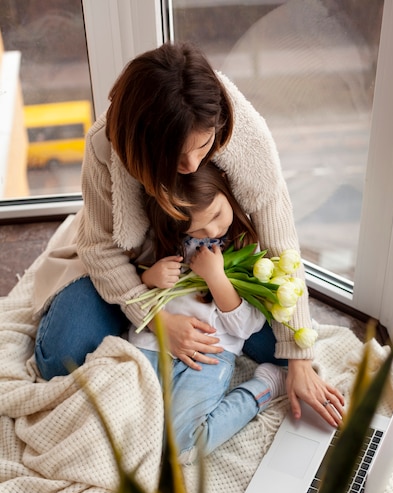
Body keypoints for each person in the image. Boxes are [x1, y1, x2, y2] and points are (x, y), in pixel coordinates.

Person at [32, 40, 344, 425]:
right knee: (59, 359)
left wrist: (298, 358)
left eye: (204, 146)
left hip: (211, 269)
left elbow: (281, 242)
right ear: (143, 145)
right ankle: (126, 323)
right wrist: (153, 318)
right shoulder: (105, 144)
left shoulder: (242, 132)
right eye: (177, 157)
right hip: (134, 266)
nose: (193, 164)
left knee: (290, 352)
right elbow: (99, 247)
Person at [129, 162, 288, 461]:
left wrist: (216, 278)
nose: (212, 230)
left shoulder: (248, 247)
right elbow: (129, 292)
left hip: (209, 354)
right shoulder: (163, 242)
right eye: (197, 227)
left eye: (216, 215)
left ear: (226, 189)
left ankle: (264, 387)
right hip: (151, 346)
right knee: (133, 434)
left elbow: (245, 328)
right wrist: (148, 278)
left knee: (182, 448)